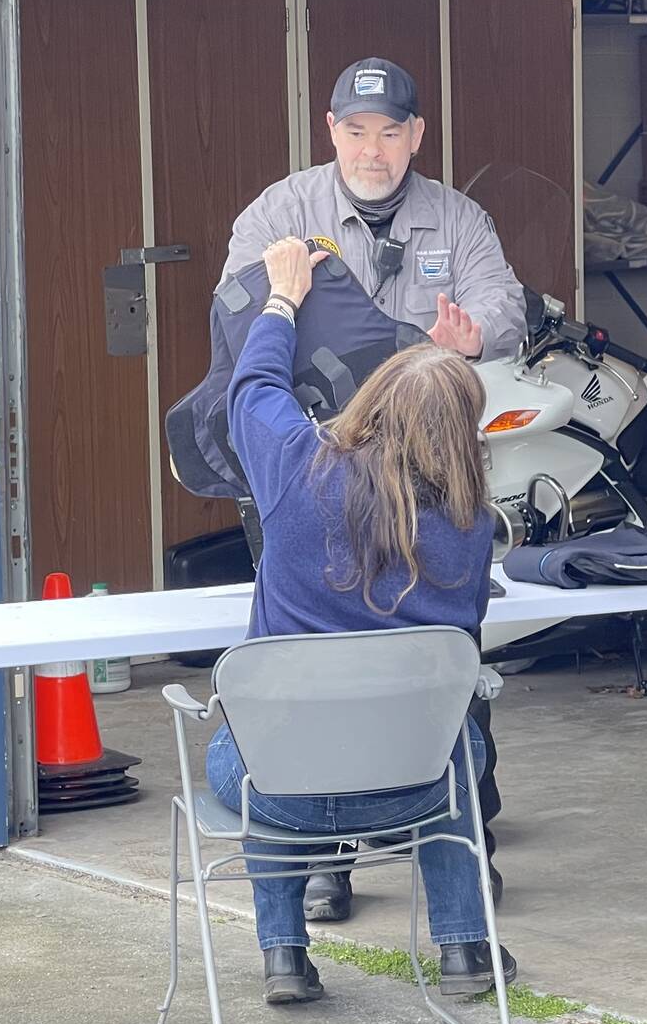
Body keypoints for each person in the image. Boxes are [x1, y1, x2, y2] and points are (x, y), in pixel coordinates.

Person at [219, 55, 526, 924]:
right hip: (310, 471)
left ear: (417, 136)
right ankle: (322, 858)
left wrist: (474, 333)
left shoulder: (458, 217)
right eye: (356, 131)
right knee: (310, 649)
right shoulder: (283, 211)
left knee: (442, 658)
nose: (373, 149)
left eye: (391, 131)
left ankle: (468, 846)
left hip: (429, 475)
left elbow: (505, 308)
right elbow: (241, 309)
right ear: (331, 131)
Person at [204, 236, 516, 1005]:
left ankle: (284, 956)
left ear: (370, 401)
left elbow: (252, 390)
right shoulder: (472, 528)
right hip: (411, 788)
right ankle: (466, 951)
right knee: (451, 742)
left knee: (258, 741)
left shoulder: (293, 472)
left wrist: (281, 301)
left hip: (281, 788)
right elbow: (461, 644)